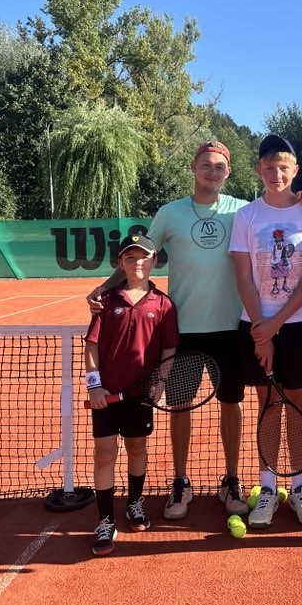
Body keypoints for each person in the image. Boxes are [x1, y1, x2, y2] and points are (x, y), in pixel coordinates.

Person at [87, 141, 302, 521]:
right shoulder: (170, 213)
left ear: (229, 172)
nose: (212, 172)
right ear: (194, 167)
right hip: (182, 330)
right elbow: (139, 256)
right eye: (206, 165)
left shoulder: (243, 210)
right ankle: (181, 480)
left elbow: (279, 206)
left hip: (232, 327)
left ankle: (231, 480)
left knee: (232, 404)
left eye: (219, 167)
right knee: (180, 407)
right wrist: (105, 288)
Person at [229, 134, 302, 529]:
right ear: (259, 170)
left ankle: (300, 487)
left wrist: (276, 324)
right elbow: (243, 277)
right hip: (256, 324)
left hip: (301, 325)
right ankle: (268, 489)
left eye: (283, 167)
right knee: (268, 405)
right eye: (269, 167)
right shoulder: (246, 216)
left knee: (299, 406)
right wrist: (263, 330)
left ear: (295, 170)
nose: (276, 173)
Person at [84, 233, 179, 556]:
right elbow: (92, 345)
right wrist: (94, 385)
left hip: (141, 396)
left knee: (137, 448)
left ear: (154, 262)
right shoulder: (106, 301)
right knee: (104, 454)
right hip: (105, 395)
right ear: (120, 263)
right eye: (130, 257)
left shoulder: (164, 305)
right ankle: (105, 520)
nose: (137, 263)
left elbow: (168, 349)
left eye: (143, 258)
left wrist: (160, 383)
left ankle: (135, 503)